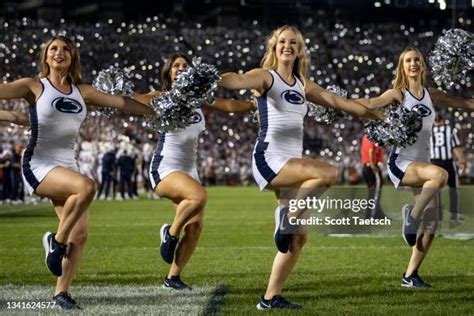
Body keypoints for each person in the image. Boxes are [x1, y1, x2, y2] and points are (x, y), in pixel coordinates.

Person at [218, 25, 383, 310]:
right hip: (269, 158)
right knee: (328, 172)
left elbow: (341, 103)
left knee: (298, 239)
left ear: (299, 49)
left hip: (291, 164)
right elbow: (237, 80)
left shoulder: (303, 84)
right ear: (274, 47)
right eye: (282, 41)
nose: (287, 46)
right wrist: (211, 78)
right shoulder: (265, 77)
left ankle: (270, 297)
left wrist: (376, 114)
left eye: (293, 42)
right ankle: (288, 217)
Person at [0, 35, 154, 309]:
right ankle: (55, 242)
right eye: (53, 49)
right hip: (38, 163)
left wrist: (154, 113)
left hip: (67, 165)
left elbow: (123, 103)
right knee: (87, 187)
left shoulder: (83, 91)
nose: (59, 53)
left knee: (80, 235)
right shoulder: (32, 86)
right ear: (46, 57)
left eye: (65, 50)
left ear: (73, 57)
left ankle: (61, 293)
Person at [134, 53, 255, 290]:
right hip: (165, 166)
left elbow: (229, 105)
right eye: (176, 66)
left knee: (196, 226)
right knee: (198, 196)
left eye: (185, 65)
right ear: (169, 72)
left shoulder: (200, 99)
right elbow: (138, 99)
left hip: (190, 169)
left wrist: (253, 104)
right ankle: (170, 233)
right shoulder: (161, 97)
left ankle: (173, 278)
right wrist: (111, 93)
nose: (180, 68)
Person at [356, 47, 474, 288]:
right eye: (408, 60)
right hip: (401, 163)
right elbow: (369, 103)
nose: (413, 64)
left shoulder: (433, 95)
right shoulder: (398, 94)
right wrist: (336, 102)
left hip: (422, 165)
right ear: (402, 67)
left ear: (423, 65)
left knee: (432, 224)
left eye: (417, 60)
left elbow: (465, 103)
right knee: (441, 175)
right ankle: (412, 214)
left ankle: (410, 275)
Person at [430, 113, 466, 226]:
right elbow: (455, 148)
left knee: (436, 192)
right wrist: (462, 161)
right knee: (453, 190)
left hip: (434, 163)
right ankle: (454, 217)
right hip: (447, 163)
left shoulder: (429, 132)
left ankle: (438, 218)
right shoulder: (449, 130)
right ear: (443, 120)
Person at [360, 134, 387, 219]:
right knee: (375, 192)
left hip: (366, 167)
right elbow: (371, 151)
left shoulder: (365, 137)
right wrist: (373, 165)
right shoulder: (371, 137)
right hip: (371, 167)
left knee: (373, 192)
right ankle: (371, 216)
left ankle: (378, 214)